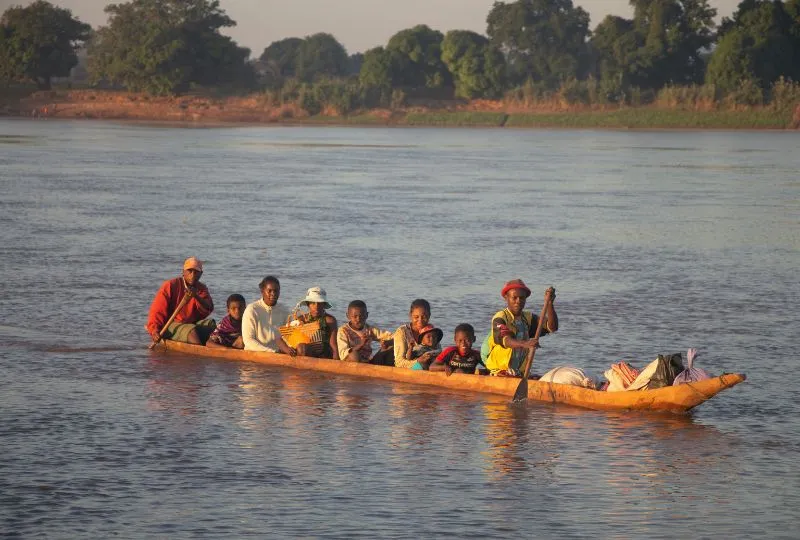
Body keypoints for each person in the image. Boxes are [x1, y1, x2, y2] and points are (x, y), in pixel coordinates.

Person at [481, 279, 558, 377]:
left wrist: (550, 304)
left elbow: (552, 327)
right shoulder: (500, 317)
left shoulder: (528, 318)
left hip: (519, 372)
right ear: (506, 297)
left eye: (522, 298)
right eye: (514, 297)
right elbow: (506, 340)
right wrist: (525, 343)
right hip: (499, 370)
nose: (518, 301)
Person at [145, 257, 215, 344]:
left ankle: (214, 347)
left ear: (201, 274)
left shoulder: (201, 288)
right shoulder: (170, 285)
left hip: (190, 323)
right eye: (190, 271)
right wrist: (154, 331)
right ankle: (198, 353)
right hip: (169, 325)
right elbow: (157, 311)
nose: (193, 275)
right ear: (183, 272)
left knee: (211, 325)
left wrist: (196, 296)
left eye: (196, 272)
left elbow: (208, 308)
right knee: (191, 331)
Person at [371, 299, 435, 368]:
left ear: (429, 316)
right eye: (416, 317)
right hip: (390, 364)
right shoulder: (402, 331)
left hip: (417, 365)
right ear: (410, 316)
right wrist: (418, 361)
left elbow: (437, 352)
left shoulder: (432, 331)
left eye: (424, 317)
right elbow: (399, 363)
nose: (420, 320)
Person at [241, 276, 296, 355]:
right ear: (262, 291)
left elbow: (290, 336)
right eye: (269, 291)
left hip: (279, 354)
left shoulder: (285, 311)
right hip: (254, 354)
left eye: (276, 291)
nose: (273, 294)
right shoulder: (252, 310)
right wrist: (272, 352)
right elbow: (248, 341)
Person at [289, 287, 339, 359]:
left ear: (324, 305)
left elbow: (333, 345)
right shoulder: (301, 319)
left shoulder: (329, 320)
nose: (316, 306)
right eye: (313, 303)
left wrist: (336, 363)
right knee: (301, 347)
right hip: (305, 352)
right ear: (308, 304)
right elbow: (294, 340)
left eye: (319, 303)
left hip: (324, 355)